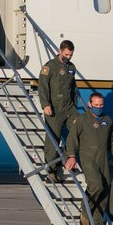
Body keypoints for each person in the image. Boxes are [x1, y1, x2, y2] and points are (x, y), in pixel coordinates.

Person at [65, 92, 113, 225]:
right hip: (88, 157)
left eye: (101, 105)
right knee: (96, 185)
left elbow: (112, 142)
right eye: (96, 105)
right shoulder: (82, 119)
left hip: (102, 158)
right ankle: (85, 212)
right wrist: (71, 156)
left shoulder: (107, 120)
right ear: (90, 104)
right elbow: (72, 138)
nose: (99, 107)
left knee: (105, 189)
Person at [38, 40, 77, 181]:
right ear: (60, 51)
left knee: (79, 130)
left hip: (69, 107)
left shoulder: (72, 67)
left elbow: (73, 87)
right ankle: (51, 169)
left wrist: (74, 103)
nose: (68, 57)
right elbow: (43, 87)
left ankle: (67, 156)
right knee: (53, 139)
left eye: (71, 55)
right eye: (66, 54)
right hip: (54, 108)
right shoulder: (50, 67)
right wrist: (45, 105)